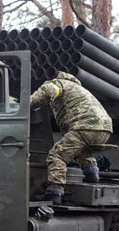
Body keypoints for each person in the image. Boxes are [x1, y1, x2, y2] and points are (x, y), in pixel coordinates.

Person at [30, 71, 113, 203]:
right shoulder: (79, 88)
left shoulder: (58, 84)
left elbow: (48, 92)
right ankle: (92, 175)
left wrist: (25, 105)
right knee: (82, 150)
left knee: (57, 155)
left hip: (85, 126)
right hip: (105, 129)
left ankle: (54, 193)